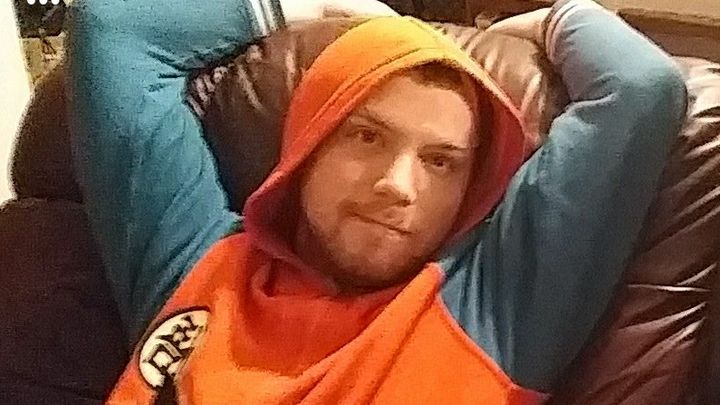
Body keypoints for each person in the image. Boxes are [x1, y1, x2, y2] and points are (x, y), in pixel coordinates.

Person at [66, 0, 687, 403]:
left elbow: (640, 89)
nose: (397, 184)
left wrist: (546, 19)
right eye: (366, 136)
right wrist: (332, 7)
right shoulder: (193, 255)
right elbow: (113, 29)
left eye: (441, 161)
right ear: (307, 145)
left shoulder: (495, 308)